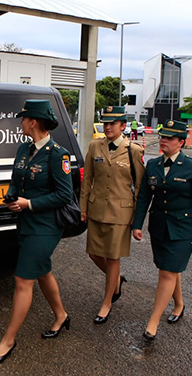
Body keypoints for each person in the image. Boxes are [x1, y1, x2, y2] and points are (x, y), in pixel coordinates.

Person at [0, 99, 74, 365]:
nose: (21, 122)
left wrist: (30, 204)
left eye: (23, 119)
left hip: (46, 226)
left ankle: (8, 341)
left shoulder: (59, 155)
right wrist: (12, 197)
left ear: (33, 121)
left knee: (23, 280)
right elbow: (17, 178)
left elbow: (65, 195)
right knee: (42, 269)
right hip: (26, 222)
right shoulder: (24, 148)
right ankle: (61, 315)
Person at [131, 120, 192, 341]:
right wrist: (137, 224)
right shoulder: (153, 165)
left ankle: (153, 321)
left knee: (166, 272)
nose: (163, 140)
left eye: (169, 138)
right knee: (169, 269)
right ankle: (179, 304)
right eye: (162, 136)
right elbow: (145, 197)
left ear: (181, 142)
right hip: (159, 226)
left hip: (184, 228)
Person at [79, 106, 145, 325]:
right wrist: (83, 207)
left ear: (123, 126)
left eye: (112, 124)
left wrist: (137, 216)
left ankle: (107, 302)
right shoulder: (95, 146)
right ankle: (116, 280)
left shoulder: (132, 150)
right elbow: (87, 179)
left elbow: (140, 186)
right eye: (105, 123)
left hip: (120, 212)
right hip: (96, 208)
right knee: (93, 253)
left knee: (113, 256)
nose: (107, 127)